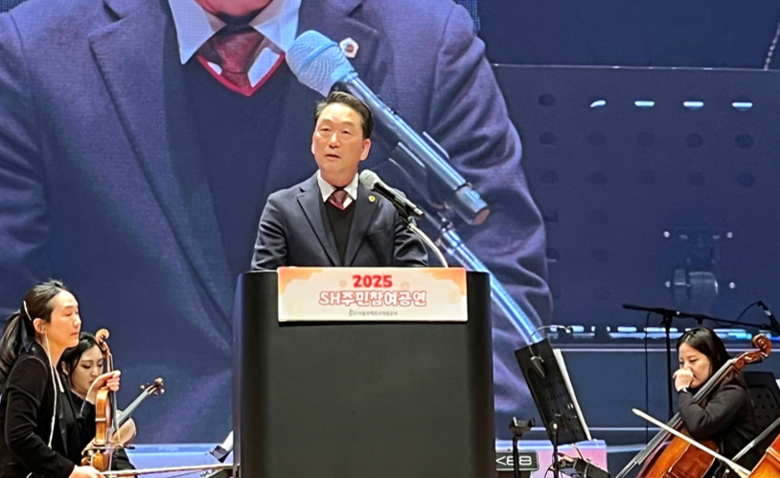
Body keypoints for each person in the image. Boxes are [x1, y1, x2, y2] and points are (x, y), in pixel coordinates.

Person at [0, 0, 551, 440]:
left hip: (374, 446)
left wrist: (430, 441)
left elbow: (501, 296)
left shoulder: (428, 42)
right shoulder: (33, 51)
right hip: (131, 450)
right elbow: (13, 316)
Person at [251, 91, 427, 269]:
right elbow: (264, 278)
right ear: (313, 142)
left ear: (364, 149)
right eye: (325, 130)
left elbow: (416, 276)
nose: (333, 142)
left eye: (345, 132)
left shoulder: (391, 206)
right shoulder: (282, 207)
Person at [0, 280, 122, 478]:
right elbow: (18, 437)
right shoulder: (31, 367)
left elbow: (71, 444)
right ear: (41, 325)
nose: (77, 321)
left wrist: (93, 396)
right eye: (67, 314)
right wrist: (70, 471)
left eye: (77, 312)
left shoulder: (54, 371)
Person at [674, 327, 762, 477]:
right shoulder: (699, 394)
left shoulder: (733, 392)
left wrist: (683, 390)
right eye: (682, 363)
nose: (685, 368)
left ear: (713, 359)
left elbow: (699, 425)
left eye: (693, 361)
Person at [59, 332, 136, 472]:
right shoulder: (60, 407)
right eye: (86, 366)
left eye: (100, 365)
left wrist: (126, 472)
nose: (95, 372)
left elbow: (113, 451)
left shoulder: (101, 408)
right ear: (66, 368)